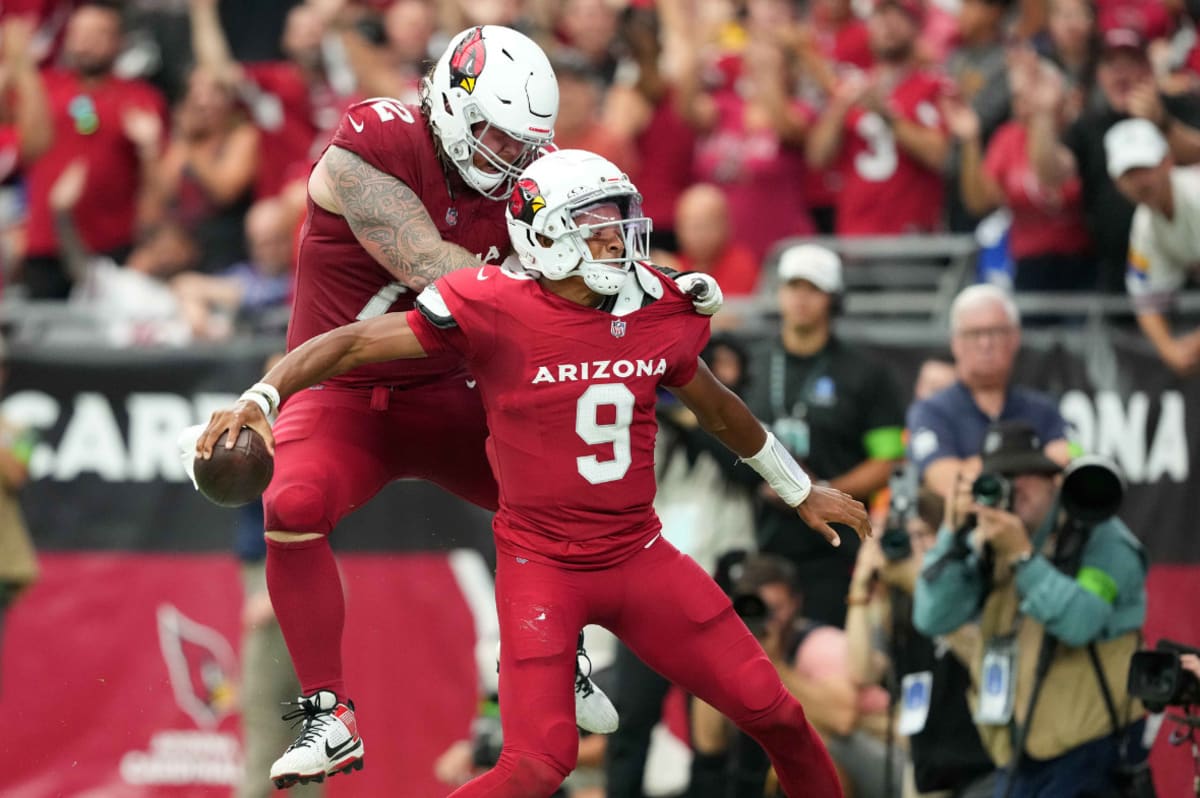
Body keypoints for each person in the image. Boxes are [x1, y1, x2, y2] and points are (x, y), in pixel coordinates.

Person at [197, 149, 869, 798]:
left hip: (640, 555)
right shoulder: (493, 305)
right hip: (542, 565)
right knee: (538, 765)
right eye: (597, 225)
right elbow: (352, 341)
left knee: (777, 713)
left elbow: (718, 409)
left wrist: (799, 487)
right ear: (548, 235)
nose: (617, 240)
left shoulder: (658, 305)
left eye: (618, 221)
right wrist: (264, 396)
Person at [195, 26, 719, 790]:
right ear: (448, 100)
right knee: (294, 500)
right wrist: (557, 271)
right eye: (495, 135)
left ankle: (557, 657)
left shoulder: (534, 174)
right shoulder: (372, 143)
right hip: (345, 391)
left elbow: (593, 269)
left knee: (557, 491)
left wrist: (657, 285)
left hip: (453, 392)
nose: (508, 158)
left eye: (523, 142)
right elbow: (434, 268)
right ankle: (328, 714)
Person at [913, 421, 1149, 797]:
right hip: (1016, 754)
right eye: (1000, 476)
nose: (1012, 486)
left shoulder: (1099, 535)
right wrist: (951, 534)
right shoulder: (988, 540)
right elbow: (931, 616)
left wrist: (1023, 557)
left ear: (1053, 480)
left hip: (1091, 749)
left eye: (1024, 474)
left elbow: (1080, 622)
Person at [741, 244, 906, 627]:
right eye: (793, 286)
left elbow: (890, 457)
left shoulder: (866, 373)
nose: (801, 298)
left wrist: (823, 492)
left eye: (813, 289)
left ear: (832, 298)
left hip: (833, 547)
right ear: (779, 292)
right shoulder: (754, 364)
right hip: (761, 540)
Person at [21, 1, 167, 299]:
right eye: (79, 33)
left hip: (113, 248)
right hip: (46, 246)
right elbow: (22, 142)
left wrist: (149, 148)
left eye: (97, 34)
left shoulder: (140, 98)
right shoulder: (42, 88)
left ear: (118, 42)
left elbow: (159, 190)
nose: (85, 42)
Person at [906, 284, 1072, 498]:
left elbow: (1068, 461)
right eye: (974, 333)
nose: (985, 343)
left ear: (1015, 338)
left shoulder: (1043, 409)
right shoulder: (931, 411)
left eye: (995, 332)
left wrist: (971, 467)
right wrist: (1036, 461)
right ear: (956, 343)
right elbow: (946, 482)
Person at [805, 0, 950, 236]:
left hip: (912, 239)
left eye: (899, 16)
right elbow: (817, 158)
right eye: (880, 15)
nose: (888, 24)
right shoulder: (851, 89)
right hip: (855, 235)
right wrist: (839, 109)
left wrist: (886, 114)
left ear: (916, 26)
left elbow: (941, 157)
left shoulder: (934, 86)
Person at [1105, 118, 1200, 376]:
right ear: (1117, 182)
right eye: (1129, 173)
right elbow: (1146, 298)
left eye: (1146, 168)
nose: (1140, 181)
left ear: (1168, 162)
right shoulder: (1145, 226)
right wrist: (1170, 349)